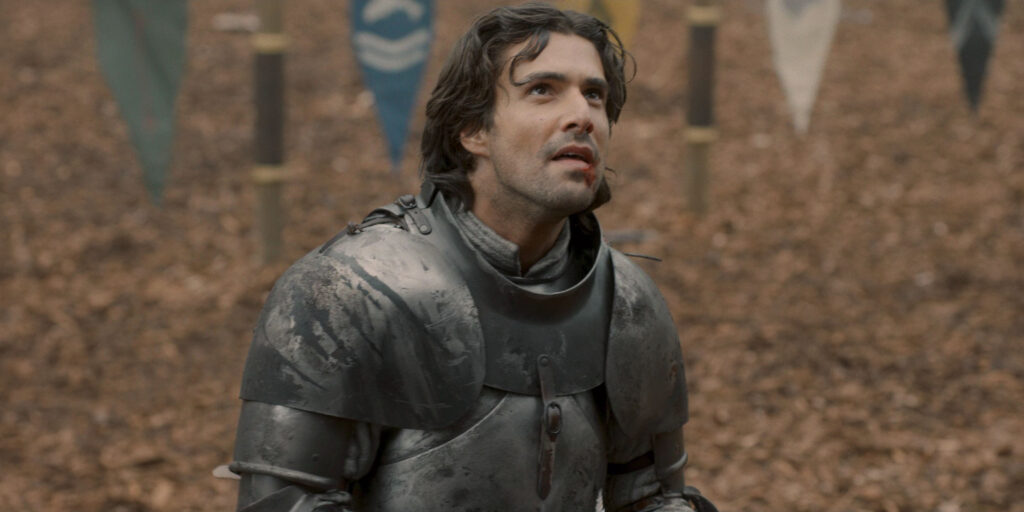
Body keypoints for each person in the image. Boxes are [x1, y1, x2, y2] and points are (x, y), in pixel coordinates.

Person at [229, 4, 718, 511]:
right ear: (472, 130)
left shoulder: (628, 304)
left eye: (594, 94)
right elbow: (285, 503)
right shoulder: (351, 289)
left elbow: (652, 497)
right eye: (543, 89)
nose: (583, 116)